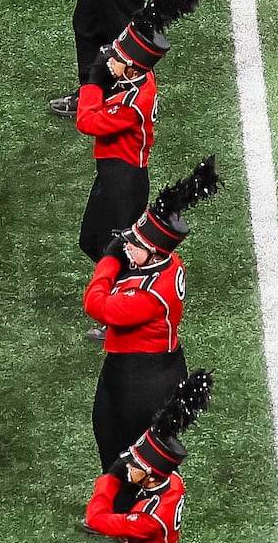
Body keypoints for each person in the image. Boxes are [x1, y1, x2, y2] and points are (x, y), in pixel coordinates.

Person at [88, 157, 220, 464]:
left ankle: (131, 510)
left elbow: (97, 305)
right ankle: (112, 507)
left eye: (136, 243)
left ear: (154, 252)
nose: (127, 244)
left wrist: (108, 262)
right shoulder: (168, 263)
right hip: (128, 367)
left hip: (146, 378)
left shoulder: (151, 295)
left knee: (135, 457)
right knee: (106, 432)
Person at [77, 0, 200, 268]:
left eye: (119, 56)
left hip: (125, 181)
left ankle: (125, 299)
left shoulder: (134, 103)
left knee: (119, 255)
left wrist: (94, 79)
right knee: (91, 241)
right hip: (110, 173)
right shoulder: (135, 76)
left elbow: (86, 121)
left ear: (132, 67)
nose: (111, 55)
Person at [83, 371, 214, 543]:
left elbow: (96, 519)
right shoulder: (172, 482)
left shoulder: (149, 518)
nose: (128, 467)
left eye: (135, 466)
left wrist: (109, 479)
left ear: (150, 476)